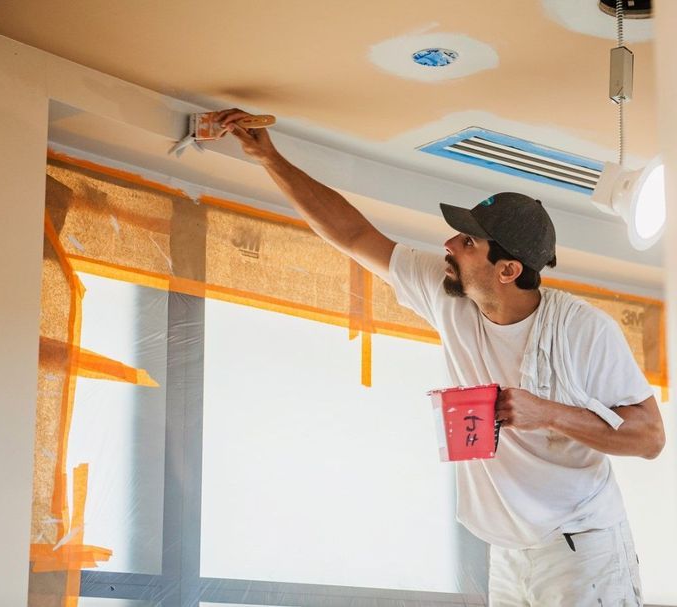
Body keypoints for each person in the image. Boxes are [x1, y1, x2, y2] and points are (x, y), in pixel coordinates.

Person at [217, 108, 666, 606]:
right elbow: (353, 235)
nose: (448, 244)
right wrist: (268, 158)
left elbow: (649, 438)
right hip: (508, 548)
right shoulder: (446, 293)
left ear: (508, 269)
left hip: (582, 546)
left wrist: (547, 413)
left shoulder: (583, 330)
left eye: (467, 241)